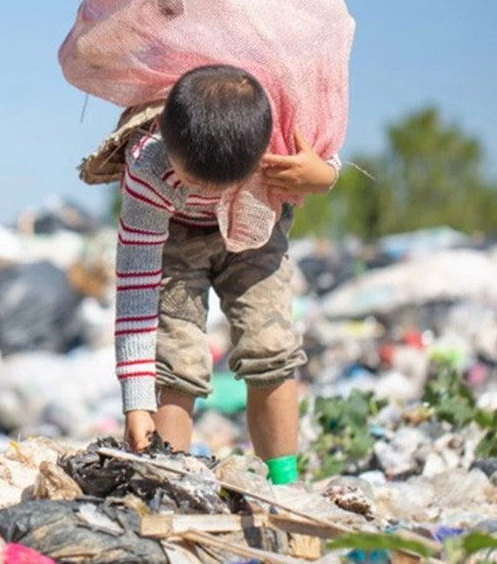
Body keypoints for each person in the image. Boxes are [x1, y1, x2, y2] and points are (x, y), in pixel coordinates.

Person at [112, 64, 341, 485]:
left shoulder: (278, 141)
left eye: (222, 185)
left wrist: (322, 178)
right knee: (175, 361)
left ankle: (283, 484)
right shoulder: (147, 167)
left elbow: (325, 159)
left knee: (270, 349)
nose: (207, 195)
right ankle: (169, 481)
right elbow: (136, 289)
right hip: (176, 238)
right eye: (194, 182)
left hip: (258, 229)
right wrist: (136, 402)